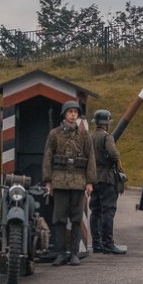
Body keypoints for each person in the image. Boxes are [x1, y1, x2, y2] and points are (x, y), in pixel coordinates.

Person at [42, 100, 97, 266]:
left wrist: (90, 181)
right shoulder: (54, 134)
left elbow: (91, 158)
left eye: (75, 112)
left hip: (78, 182)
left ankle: (73, 253)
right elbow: (48, 157)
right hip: (59, 181)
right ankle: (60, 253)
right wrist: (48, 180)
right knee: (58, 219)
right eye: (70, 111)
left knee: (76, 218)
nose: (73, 115)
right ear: (64, 114)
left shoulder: (84, 135)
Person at [90, 109, 127, 255]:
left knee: (95, 211)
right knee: (108, 211)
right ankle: (108, 244)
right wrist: (116, 160)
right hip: (106, 177)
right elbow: (113, 153)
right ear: (107, 123)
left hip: (94, 177)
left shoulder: (91, 137)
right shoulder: (107, 137)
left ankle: (96, 244)